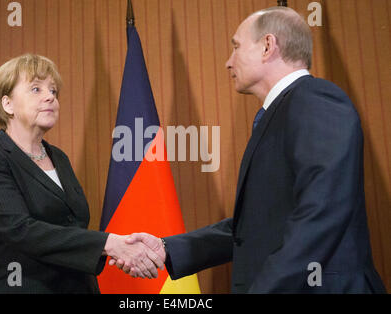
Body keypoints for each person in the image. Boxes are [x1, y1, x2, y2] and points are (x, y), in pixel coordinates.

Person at [113, 6, 387, 293]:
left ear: (268, 46)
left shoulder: (316, 100)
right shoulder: (281, 112)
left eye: (236, 47)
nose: (228, 62)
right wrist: (167, 249)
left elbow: (322, 212)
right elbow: (256, 227)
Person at [0, 54, 163, 293]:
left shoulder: (59, 157)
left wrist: (121, 247)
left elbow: (73, 228)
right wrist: (109, 244)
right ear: (7, 103)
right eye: (36, 89)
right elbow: (21, 231)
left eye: (53, 90)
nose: (50, 96)